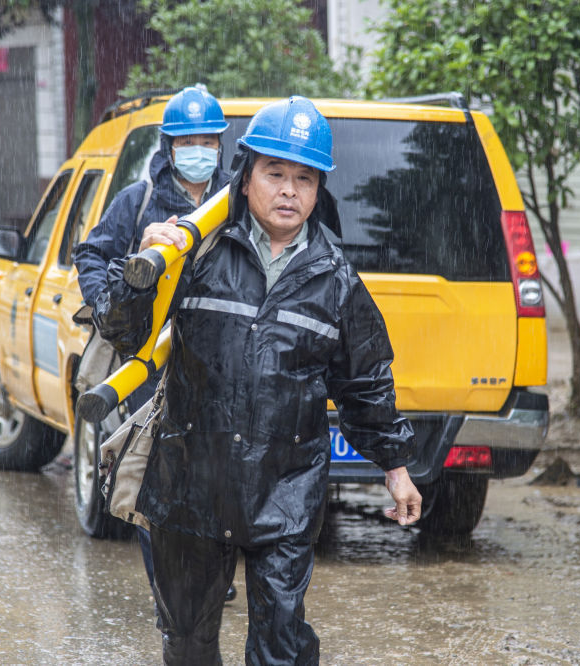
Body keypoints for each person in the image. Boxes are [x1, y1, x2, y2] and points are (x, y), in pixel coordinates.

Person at [94, 96, 423, 665]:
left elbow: (366, 384)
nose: (289, 191)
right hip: (190, 482)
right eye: (275, 173)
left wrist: (396, 469)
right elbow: (123, 332)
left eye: (304, 178)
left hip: (285, 488)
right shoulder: (192, 252)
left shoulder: (336, 281)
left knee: (281, 647)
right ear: (245, 179)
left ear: (319, 191)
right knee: (188, 642)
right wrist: (140, 271)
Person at [72, 86, 233, 602]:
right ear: (168, 147)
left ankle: (210, 579)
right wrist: (109, 301)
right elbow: (91, 254)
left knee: (215, 474)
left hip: (217, 363)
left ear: (220, 146)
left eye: (208, 141)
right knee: (152, 472)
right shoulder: (137, 202)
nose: (199, 151)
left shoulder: (235, 199)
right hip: (149, 364)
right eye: (188, 141)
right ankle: (167, 587)